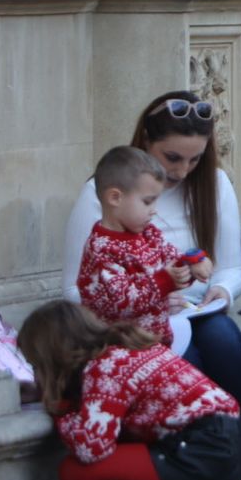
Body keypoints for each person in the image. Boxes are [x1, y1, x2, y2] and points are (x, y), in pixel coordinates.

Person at [61, 92, 241, 480]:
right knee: (180, 360)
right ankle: (179, 475)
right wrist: (155, 291)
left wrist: (218, 289)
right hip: (128, 324)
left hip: (193, 309)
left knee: (225, 337)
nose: (181, 172)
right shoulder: (103, 195)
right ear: (145, 144)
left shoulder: (215, 184)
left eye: (193, 161)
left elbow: (230, 269)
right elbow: (76, 286)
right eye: (172, 158)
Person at [16, 301, 241, 480]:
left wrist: (59, 407)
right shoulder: (126, 347)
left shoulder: (105, 366)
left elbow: (90, 447)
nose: (36, 372)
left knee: (75, 475)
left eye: (36, 364)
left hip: (203, 452)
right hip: (230, 447)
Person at [75, 146, 212, 344]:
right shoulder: (101, 249)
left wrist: (193, 263)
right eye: (148, 202)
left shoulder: (148, 233)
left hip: (155, 344)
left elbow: (173, 260)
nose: (154, 211)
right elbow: (121, 302)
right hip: (119, 351)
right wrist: (166, 281)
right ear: (115, 198)